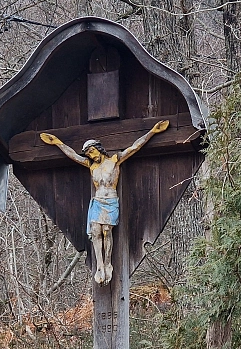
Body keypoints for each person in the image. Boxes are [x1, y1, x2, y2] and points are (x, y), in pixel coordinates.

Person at [40, 120, 169, 284]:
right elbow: (72, 155)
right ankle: (99, 265)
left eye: (92, 151)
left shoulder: (115, 160)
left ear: (98, 149)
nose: (91, 155)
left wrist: (153, 131)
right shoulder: (91, 166)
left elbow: (135, 147)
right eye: (88, 154)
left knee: (107, 230)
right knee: (95, 232)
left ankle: (108, 263)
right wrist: (57, 143)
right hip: (98, 201)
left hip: (110, 200)